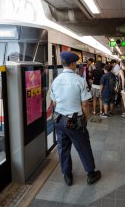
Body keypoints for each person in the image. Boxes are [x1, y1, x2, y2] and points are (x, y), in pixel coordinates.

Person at [50, 51, 101, 186]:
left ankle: (67, 175)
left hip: (59, 120)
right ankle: (91, 173)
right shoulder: (79, 80)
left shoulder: (55, 81)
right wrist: (84, 120)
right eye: (76, 63)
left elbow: (54, 103)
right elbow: (85, 104)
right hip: (74, 120)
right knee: (83, 146)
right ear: (73, 64)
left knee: (63, 147)